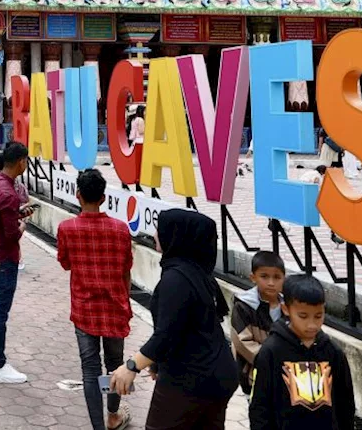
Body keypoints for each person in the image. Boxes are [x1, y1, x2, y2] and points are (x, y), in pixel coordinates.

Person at [109, 209, 238, 430]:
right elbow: (185, 325)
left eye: (162, 228)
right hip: (219, 374)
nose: (156, 232)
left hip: (191, 378)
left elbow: (166, 334)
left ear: (177, 235)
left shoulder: (176, 279)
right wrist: (158, 362)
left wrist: (131, 366)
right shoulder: (196, 273)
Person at [56, 168, 133, 430]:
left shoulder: (67, 228)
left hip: (84, 309)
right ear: (103, 198)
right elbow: (126, 270)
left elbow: (66, 264)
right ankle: (113, 415)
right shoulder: (121, 230)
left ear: (78, 195)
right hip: (114, 307)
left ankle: (98, 427)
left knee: (90, 368)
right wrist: (127, 304)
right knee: (115, 366)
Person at [249, 273, 355, 430]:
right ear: (286, 309)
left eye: (318, 316)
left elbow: (345, 403)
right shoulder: (271, 351)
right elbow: (260, 406)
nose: (311, 324)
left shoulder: (333, 352)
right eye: (303, 316)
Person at [0, 140, 32, 384]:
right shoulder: (9, 193)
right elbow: (12, 233)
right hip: (3, 256)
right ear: (21, 162)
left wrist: (16, 215)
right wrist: (22, 223)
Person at [232, 251, 285, 395]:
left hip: (285, 376)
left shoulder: (288, 307)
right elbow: (243, 342)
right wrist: (271, 361)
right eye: (264, 276)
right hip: (254, 375)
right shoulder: (244, 306)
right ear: (253, 277)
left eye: (277, 277)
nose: (271, 283)